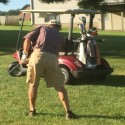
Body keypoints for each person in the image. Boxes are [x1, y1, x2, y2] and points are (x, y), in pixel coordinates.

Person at [20, 19, 76, 119]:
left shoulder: (42, 27)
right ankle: (68, 112)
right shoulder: (60, 37)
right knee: (60, 86)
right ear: (59, 27)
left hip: (38, 55)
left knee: (33, 84)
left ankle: (32, 111)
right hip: (53, 58)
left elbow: (27, 39)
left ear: (49, 25)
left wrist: (24, 56)